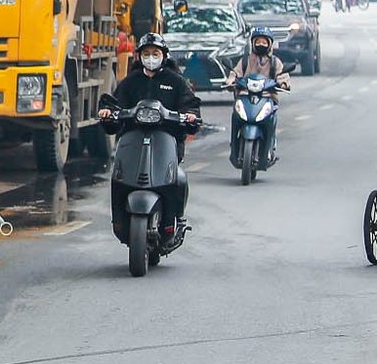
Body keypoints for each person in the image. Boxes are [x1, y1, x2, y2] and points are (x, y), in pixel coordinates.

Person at [98, 32, 200, 244]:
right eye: (146, 53)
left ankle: (175, 220)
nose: (151, 58)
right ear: (140, 56)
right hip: (133, 142)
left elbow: (190, 106)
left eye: (155, 53)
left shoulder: (176, 82)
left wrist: (190, 116)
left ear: (164, 55)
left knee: (178, 180)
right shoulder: (131, 82)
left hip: (166, 143)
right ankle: (119, 221)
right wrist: (108, 113)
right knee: (118, 178)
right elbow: (114, 104)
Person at [223, 29, 290, 165]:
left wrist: (283, 83)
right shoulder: (245, 61)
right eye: (257, 41)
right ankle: (234, 145)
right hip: (245, 96)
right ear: (252, 43)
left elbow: (282, 75)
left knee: (271, 118)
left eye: (264, 42)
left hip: (267, 97)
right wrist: (230, 82)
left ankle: (270, 146)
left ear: (270, 44)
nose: (261, 44)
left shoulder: (275, 62)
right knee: (236, 117)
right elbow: (235, 73)